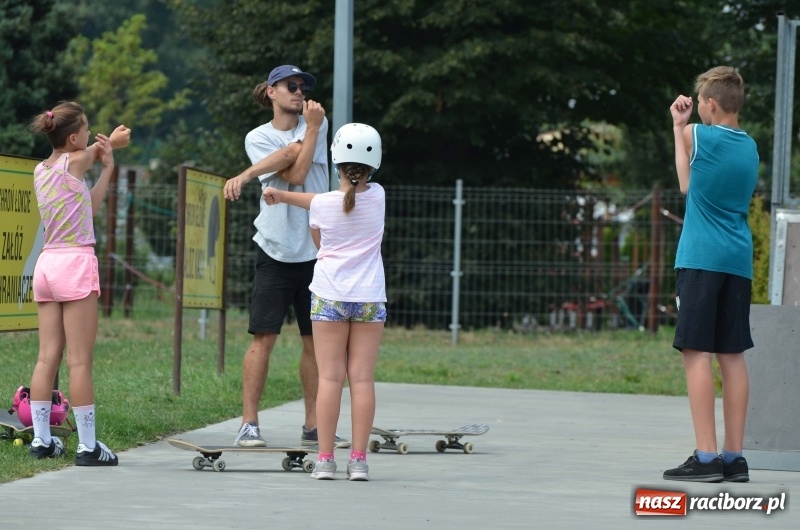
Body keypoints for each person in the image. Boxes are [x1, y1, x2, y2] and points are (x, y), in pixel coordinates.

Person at [223, 65, 349, 449]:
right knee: (264, 337)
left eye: (303, 87)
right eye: (291, 86)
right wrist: (294, 146)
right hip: (275, 250)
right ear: (272, 92)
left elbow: (295, 171)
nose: (299, 92)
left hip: (317, 252)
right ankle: (249, 424)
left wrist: (245, 176)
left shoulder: (317, 122)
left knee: (315, 342)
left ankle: (313, 426)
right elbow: (291, 163)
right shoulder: (257, 137)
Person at [263, 123, 385, 481]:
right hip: (369, 299)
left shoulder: (322, 206)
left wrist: (281, 195)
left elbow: (319, 235)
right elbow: (338, 198)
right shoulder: (378, 196)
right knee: (362, 380)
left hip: (329, 296)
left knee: (330, 379)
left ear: (335, 163)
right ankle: (359, 461)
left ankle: (326, 460)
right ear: (373, 165)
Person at [663, 66, 758, 483]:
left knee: (696, 353)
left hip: (701, 260)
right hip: (738, 261)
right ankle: (734, 458)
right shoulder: (750, 147)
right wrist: (686, 123)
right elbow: (690, 184)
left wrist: (677, 124)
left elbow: (682, 182)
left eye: (700, 102)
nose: (695, 108)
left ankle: (705, 459)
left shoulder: (700, 136)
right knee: (732, 356)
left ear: (712, 104)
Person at [27, 101, 130, 465]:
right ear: (72, 137)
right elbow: (101, 147)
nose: (90, 134)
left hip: (48, 264)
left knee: (46, 357)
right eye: (85, 129)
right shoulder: (75, 160)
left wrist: (107, 170)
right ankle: (88, 445)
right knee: (80, 362)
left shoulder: (42, 169)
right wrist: (112, 143)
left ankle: (42, 440)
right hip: (74, 262)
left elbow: (90, 206)